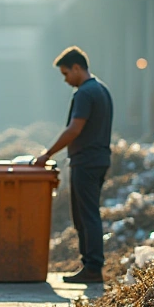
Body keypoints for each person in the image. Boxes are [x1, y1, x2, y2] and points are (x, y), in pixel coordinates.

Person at [33, 47, 113, 284]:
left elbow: (74, 129)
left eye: (66, 73)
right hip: (99, 159)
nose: (66, 79)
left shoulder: (84, 94)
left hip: (85, 161)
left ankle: (92, 267)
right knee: (88, 213)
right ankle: (90, 265)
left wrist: (47, 154)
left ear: (77, 67)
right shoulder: (103, 90)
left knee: (85, 215)